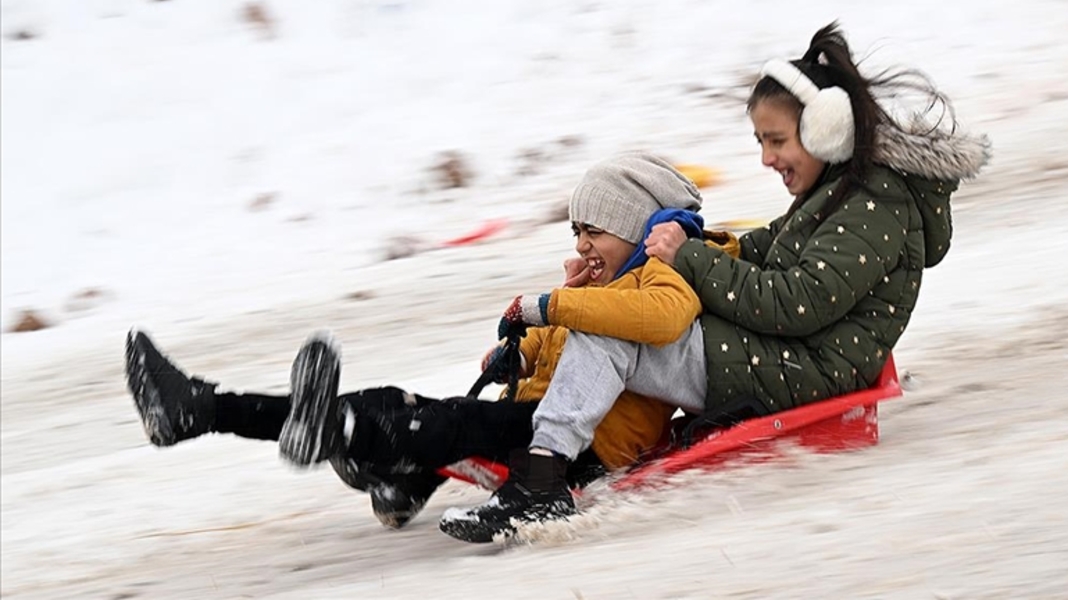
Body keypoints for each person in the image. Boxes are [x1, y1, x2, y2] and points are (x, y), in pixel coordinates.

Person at [439, 22, 990, 542]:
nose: (766, 158)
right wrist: (699, 246)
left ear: (826, 130)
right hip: (791, 355)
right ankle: (551, 450)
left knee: (611, 328)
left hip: (810, 369)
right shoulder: (843, 195)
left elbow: (799, 302)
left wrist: (695, 260)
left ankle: (542, 480)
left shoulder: (873, 206)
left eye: (775, 140)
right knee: (625, 316)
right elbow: (767, 248)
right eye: (759, 142)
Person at [124, 153, 731, 531]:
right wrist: (522, 350)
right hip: (540, 417)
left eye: (592, 231)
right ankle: (204, 409)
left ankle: (339, 437)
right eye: (576, 233)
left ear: (634, 227)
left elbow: (653, 325)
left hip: (587, 445)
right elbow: (562, 360)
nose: (579, 247)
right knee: (403, 404)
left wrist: (558, 304)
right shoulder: (600, 290)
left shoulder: (656, 280)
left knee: (433, 422)